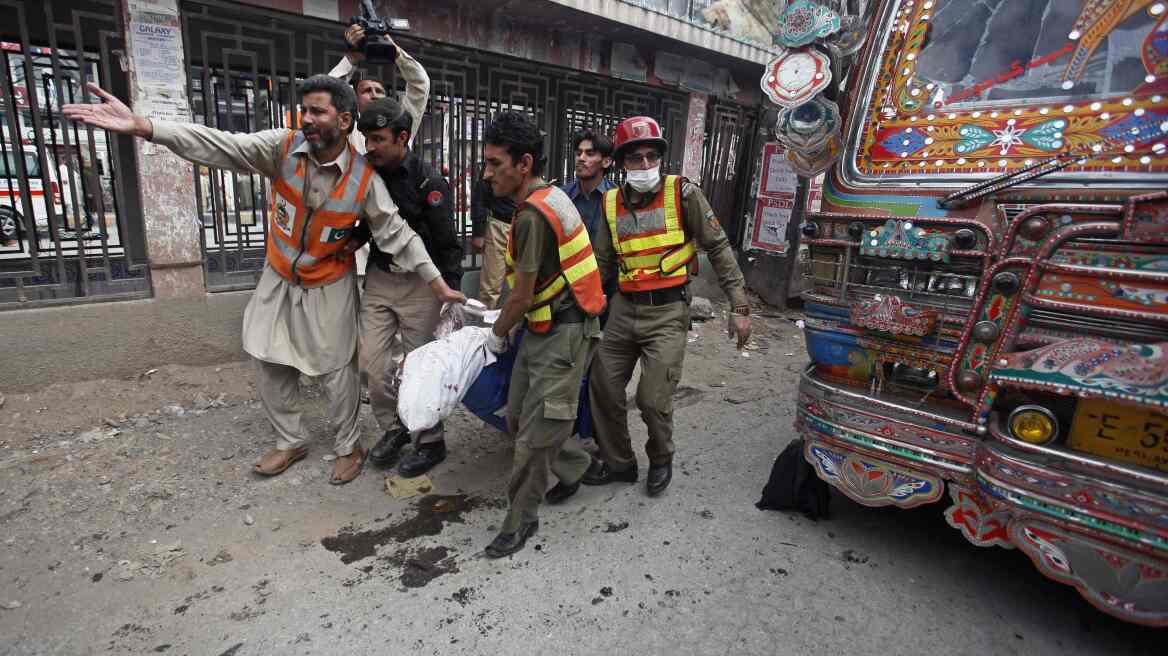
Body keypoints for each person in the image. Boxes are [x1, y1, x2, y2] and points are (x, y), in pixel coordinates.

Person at [62, 77, 465, 485]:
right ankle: (290, 440)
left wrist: (437, 283)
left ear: (344, 120)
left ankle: (349, 446)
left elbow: (398, 234)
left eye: (317, 111)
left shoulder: (365, 179)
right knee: (266, 356)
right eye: (304, 110)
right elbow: (221, 144)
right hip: (279, 276)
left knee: (337, 369)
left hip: (328, 280)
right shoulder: (283, 147)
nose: (306, 119)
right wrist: (147, 128)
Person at [583, 116, 751, 497]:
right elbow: (601, 264)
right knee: (604, 386)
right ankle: (619, 462)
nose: (645, 166)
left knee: (652, 398)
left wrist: (739, 308)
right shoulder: (610, 203)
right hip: (624, 310)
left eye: (651, 157)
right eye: (635, 159)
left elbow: (719, 247)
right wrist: (582, 307)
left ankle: (660, 457)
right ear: (621, 163)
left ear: (660, 157)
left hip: (669, 312)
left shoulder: (684, 194)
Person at [480, 111, 606, 557]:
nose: (487, 173)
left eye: (496, 164)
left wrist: (494, 333)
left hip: (565, 335)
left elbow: (521, 293)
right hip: (541, 329)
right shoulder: (546, 198)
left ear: (525, 163)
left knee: (534, 437)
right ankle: (576, 467)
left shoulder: (534, 215)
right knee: (518, 418)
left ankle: (520, 521)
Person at [349, 97, 463, 476]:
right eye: (367, 139)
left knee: (421, 370)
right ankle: (395, 428)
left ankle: (431, 442)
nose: (371, 147)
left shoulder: (429, 181)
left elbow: (448, 242)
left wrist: (449, 296)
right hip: (381, 279)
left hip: (421, 285)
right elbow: (371, 222)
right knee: (372, 364)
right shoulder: (368, 175)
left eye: (379, 139)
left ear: (402, 137)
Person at [329, 24, 431, 283]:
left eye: (379, 91)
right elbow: (328, 94)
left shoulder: (399, 127)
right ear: (354, 97)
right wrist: (351, 58)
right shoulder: (345, 131)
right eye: (366, 90)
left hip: (394, 247)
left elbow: (420, 85)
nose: (374, 95)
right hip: (351, 245)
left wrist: (394, 51)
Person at [469, 171, 516, 309]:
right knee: (491, 287)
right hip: (500, 223)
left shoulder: (525, 158)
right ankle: (484, 326)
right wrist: (479, 232)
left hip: (522, 221)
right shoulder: (498, 159)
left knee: (525, 285)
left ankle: (518, 327)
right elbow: (481, 191)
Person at [560, 127, 615, 240]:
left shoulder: (617, 198)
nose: (581, 158)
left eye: (589, 154)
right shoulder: (562, 196)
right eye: (579, 153)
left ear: (606, 162)